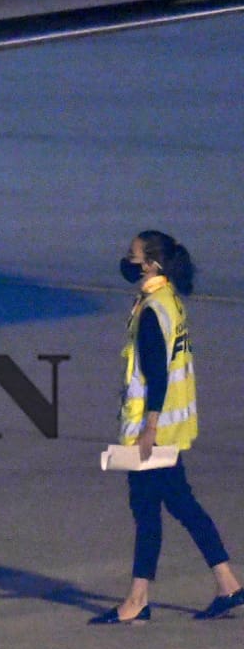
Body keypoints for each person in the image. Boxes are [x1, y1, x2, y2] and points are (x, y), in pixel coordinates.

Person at [88, 230, 244, 624]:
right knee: (176, 504)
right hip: (170, 426)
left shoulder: (153, 309)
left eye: (132, 254)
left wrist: (149, 427)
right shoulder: (168, 299)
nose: (127, 259)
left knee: (149, 509)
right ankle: (226, 584)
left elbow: (156, 375)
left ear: (151, 264)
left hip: (151, 430)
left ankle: (138, 601)